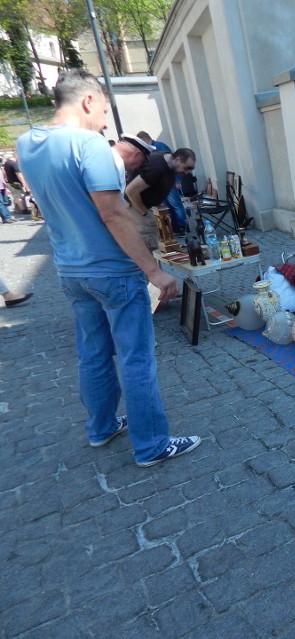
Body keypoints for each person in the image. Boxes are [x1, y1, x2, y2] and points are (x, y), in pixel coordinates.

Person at [16, 69, 200, 467]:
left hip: (70, 270)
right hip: (112, 272)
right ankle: (151, 444)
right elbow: (114, 215)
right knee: (136, 358)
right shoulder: (89, 145)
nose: (104, 119)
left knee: (93, 353)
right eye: (102, 108)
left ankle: (100, 427)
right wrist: (153, 270)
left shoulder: (26, 144)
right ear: (86, 101)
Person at [125, 147, 196, 235]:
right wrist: (145, 214)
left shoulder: (170, 161)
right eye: (186, 168)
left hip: (150, 207)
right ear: (177, 159)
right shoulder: (155, 168)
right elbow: (131, 191)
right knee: (149, 239)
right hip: (137, 208)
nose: (186, 172)